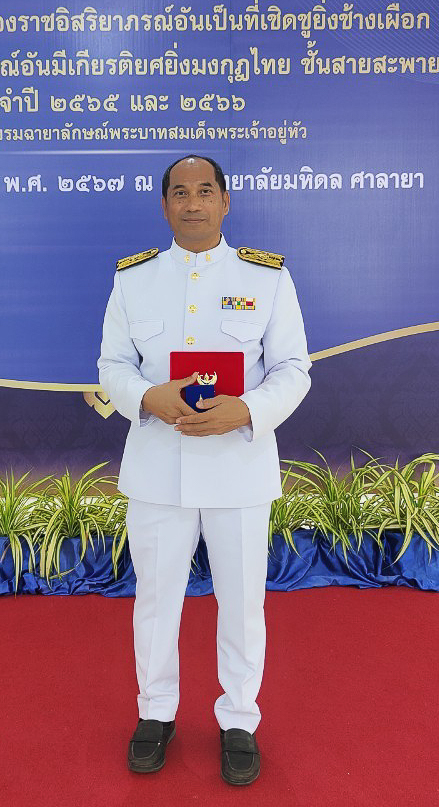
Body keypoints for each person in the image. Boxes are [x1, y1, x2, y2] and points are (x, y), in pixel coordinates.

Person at [97, 155, 311, 786]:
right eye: (180, 193)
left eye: (205, 192)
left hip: (238, 466)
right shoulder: (134, 279)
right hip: (158, 468)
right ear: (165, 205)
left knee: (242, 603)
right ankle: (155, 711)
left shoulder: (266, 277)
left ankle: (239, 717)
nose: (193, 203)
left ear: (225, 201)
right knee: (155, 600)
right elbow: (112, 364)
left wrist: (248, 410)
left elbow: (293, 369)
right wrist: (146, 397)